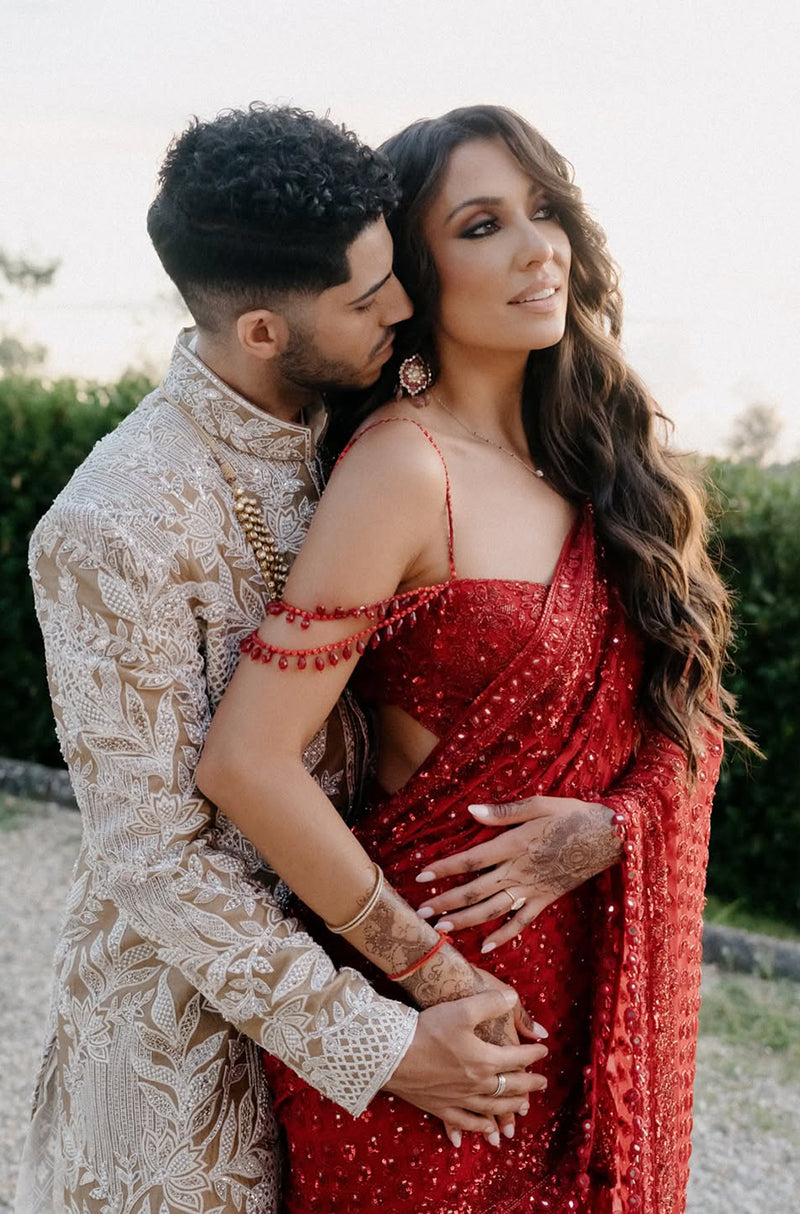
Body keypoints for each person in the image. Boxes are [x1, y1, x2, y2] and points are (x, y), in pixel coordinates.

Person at [197, 105, 745, 1213]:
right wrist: (433, 985)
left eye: (543, 211)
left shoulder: (603, 459)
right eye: (483, 224)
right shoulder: (400, 472)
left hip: (592, 989)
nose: (536, 246)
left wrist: (614, 827)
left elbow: (681, 716)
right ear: (414, 272)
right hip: (447, 1042)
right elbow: (246, 760)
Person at [16, 105, 550, 1214]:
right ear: (262, 330)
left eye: (393, 272)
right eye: (366, 297)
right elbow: (155, 858)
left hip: (379, 976)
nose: (400, 307)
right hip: (186, 1070)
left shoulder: (353, 419)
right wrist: (386, 1041)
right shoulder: (112, 525)